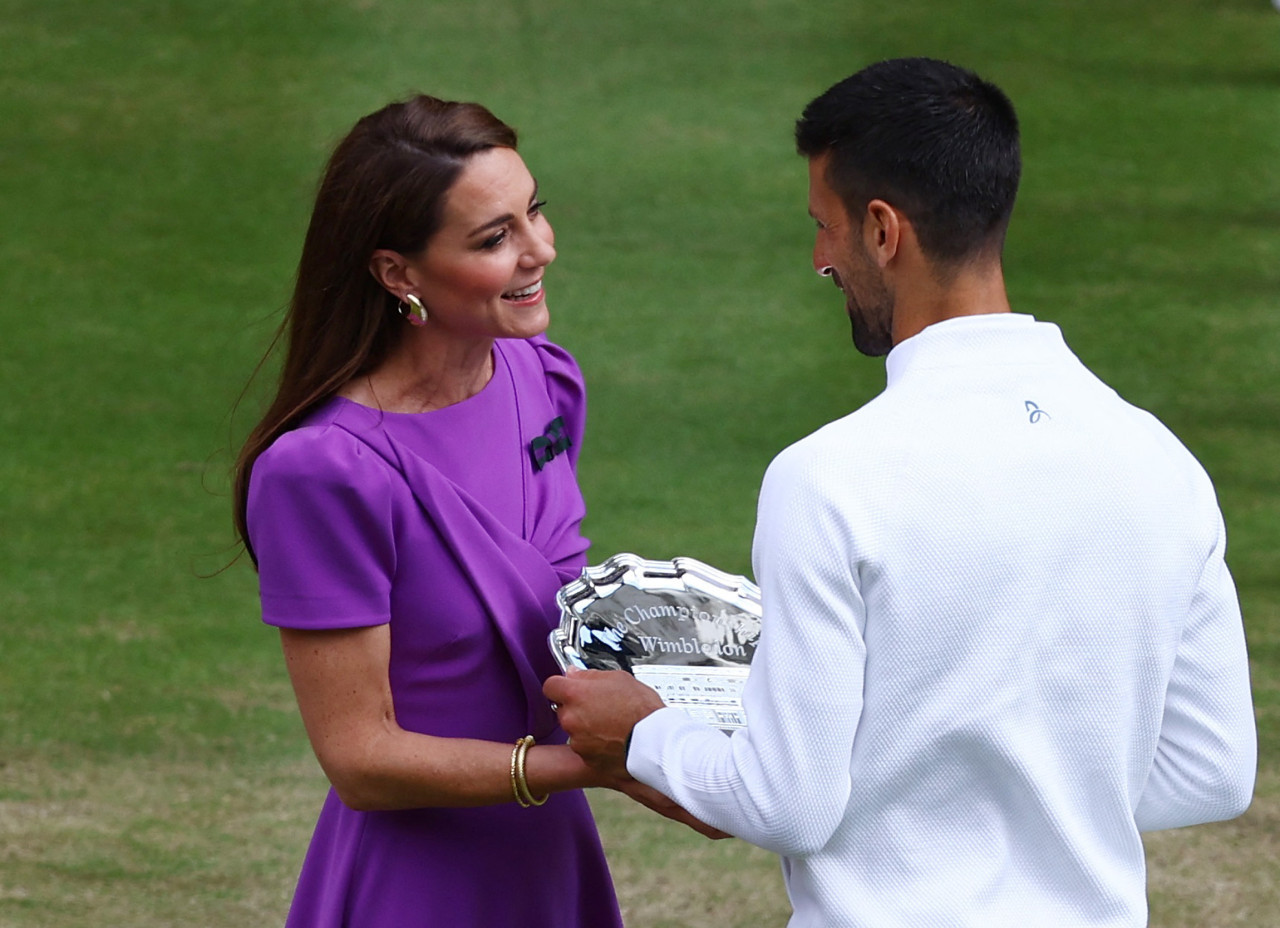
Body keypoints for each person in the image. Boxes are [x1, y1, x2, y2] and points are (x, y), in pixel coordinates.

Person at [546, 57, 1257, 928]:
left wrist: (643, 734)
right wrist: (1022, 799)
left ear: (883, 230)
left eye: (825, 226)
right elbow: (1211, 771)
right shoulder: (1164, 463)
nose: (819, 259)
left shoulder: (829, 479)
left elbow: (787, 803)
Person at [232, 94, 675, 927]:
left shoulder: (543, 378)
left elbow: (556, 618)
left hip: (546, 858)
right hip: (419, 884)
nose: (540, 250)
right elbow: (361, 760)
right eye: (493, 238)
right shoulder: (323, 474)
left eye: (533, 211)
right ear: (398, 272)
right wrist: (604, 762)